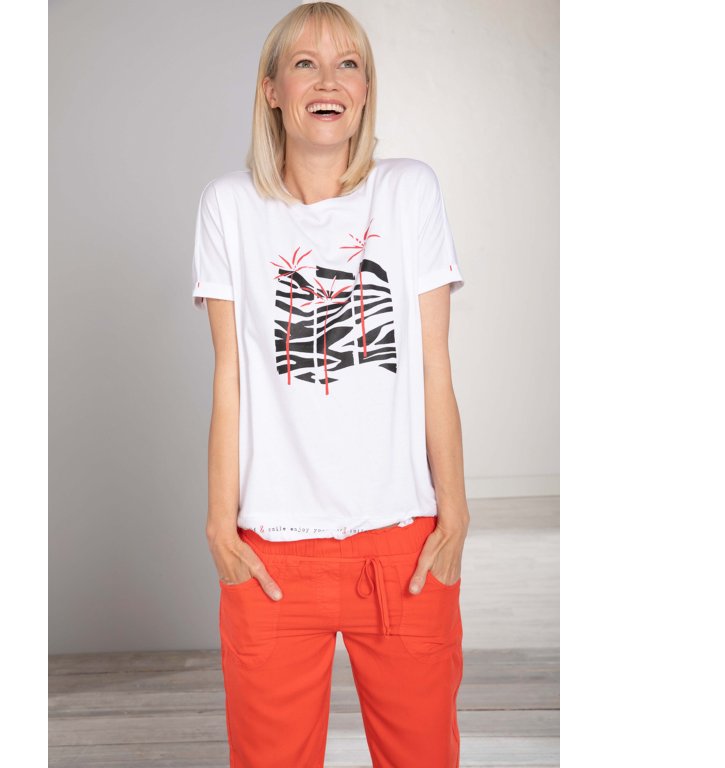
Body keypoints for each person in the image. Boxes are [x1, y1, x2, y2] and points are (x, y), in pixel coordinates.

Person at [191, 3, 469, 766]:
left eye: (349, 64)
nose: (329, 81)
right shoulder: (229, 207)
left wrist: (454, 512)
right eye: (305, 64)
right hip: (273, 552)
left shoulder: (409, 192)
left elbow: (435, 364)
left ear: (366, 89)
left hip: (403, 544)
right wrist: (219, 524)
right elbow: (229, 377)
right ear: (272, 90)